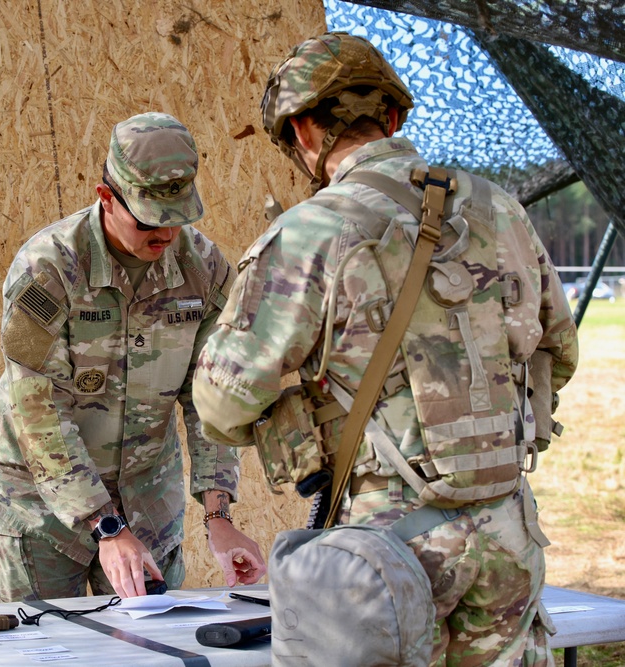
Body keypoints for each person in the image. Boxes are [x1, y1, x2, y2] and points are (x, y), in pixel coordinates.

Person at [192, 33, 578, 666]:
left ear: (305, 130)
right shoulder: (501, 209)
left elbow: (220, 402)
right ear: (394, 117)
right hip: (508, 531)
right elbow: (557, 351)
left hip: (387, 551)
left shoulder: (311, 231)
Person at [0, 111, 266, 602]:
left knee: (151, 653)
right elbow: (38, 412)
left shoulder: (204, 269)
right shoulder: (48, 270)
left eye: (179, 218)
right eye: (150, 220)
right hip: (41, 512)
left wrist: (219, 517)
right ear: (106, 197)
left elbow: (211, 399)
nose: (167, 234)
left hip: (147, 502)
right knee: (50, 656)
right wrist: (106, 526)